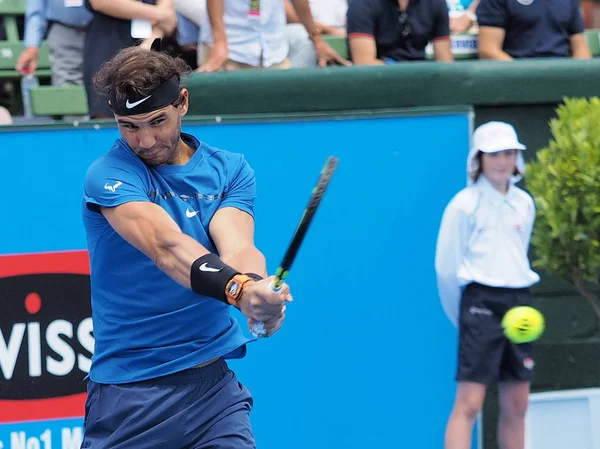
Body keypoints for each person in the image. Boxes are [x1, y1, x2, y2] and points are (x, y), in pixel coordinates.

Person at [80, 43, 291, 448]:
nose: (144, 140)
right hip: (130, 397)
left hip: (213, 391)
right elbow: (166, 247)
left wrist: (257, 289)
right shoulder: (107, 174)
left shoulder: (229, 170)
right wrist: (238, 290)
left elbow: (238, 246)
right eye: (129, 125)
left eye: (157, 121)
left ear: (183, 103)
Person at [435, 121, 540, 449]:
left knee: (518, 403)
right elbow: (447, 270)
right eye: (493, 153)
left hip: (520, 302)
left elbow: (517, 254)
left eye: (509, 153)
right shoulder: (463, 205)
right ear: (478, 159)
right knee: (470, 402)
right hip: (479, 302)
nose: (502, 160)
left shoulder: (525, 203)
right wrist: (465, 318)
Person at [82, 0, 177, 118]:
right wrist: (160, 14)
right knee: (105, 108)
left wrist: (151, 41)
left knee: (156, 112)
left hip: (154, 39)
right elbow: (99, 2)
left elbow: (167, 8)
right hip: (109, 36)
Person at [346, 0, 454, 65]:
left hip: (421, 78)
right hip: (380, 81)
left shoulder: (435, 3)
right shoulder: (361, 3)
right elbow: (364, 63)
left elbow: (445, 60)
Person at [476, 0, 591, 60]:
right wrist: (528, 77)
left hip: (563, 74)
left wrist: (579, 78)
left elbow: (580, 46)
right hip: (517, 76)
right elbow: (488, 51)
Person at [16, 0, 92, 87]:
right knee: (67, 86)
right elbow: (36, 8)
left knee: (104, 82)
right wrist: (31, 45)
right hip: (63, 27)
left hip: (103, 27)